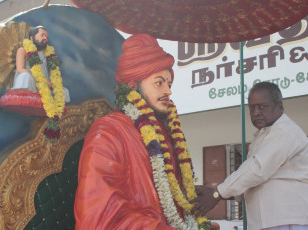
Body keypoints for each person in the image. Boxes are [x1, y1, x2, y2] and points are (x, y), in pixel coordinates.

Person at [74, 34, 217, 230]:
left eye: (169, 84)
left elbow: (171, 203)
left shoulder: (165, 135)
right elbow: (100, 218)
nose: (168, 91)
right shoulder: (108, 132)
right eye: (159, 83)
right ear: (133, 86)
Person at [191, 82, 308, 230]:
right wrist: (214, 192)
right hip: (277, 220)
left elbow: (256, 170)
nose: (256, 112)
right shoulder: (264, 136)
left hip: (299, 219)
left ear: (279, 107)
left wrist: (216, 194)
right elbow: (251, 181)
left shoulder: (285, 132)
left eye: (262, 106)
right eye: (252, 107)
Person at [12, 25, 70, 102]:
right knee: (25, 77)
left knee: (64, 91)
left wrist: (51, 83)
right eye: (42, 35)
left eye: (46, 36)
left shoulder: (49, 54)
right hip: (31, 81)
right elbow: (20, 69)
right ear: (31, 38)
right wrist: (40, 80)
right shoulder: (23, 50)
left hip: (45, 86)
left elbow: (51, 74)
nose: (45, 38)